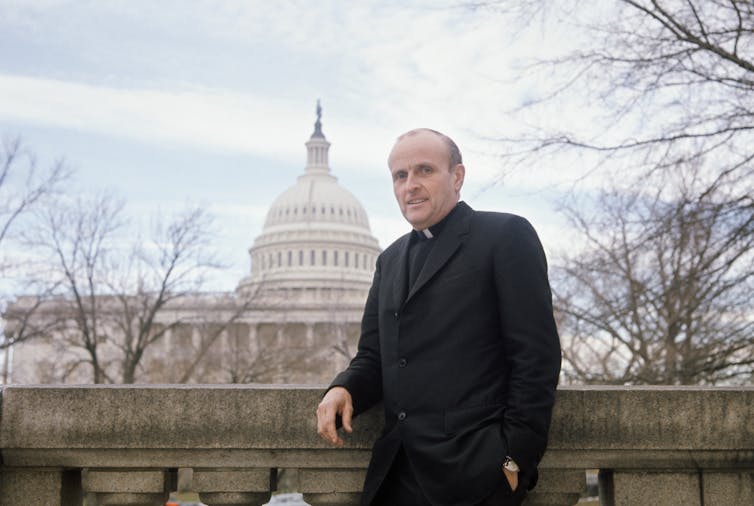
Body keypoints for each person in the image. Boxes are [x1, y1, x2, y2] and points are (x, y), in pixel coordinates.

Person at [316, 128, 561, 506]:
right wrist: (344, 388)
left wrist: (514, 462)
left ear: (457, 176)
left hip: (475, 477)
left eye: (424, 170)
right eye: (400, 176)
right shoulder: (390, 260)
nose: (410, 185)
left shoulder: (505, 235)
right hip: (395, 476)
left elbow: (536, 358)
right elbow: (375, 357)